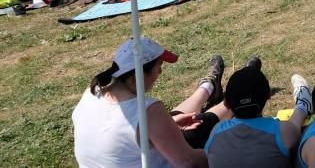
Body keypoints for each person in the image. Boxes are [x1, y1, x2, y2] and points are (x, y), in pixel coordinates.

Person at [73, 37, 228, 168]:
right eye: (158, 68)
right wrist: (220, 152)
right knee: (201, 126)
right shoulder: (149, 112)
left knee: (177, 119)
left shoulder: (93, 92)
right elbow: (188, 162)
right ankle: (233, 102)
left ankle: (208, 88)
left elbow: (115, 136)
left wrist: (170, 123)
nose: (160, 73)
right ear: (137, 76)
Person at [204, 60, 312, 168]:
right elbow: (295, 132)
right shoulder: (282, 131)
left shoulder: (217, 131)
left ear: (226, 103)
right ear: (269, 95)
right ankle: (303, 105)